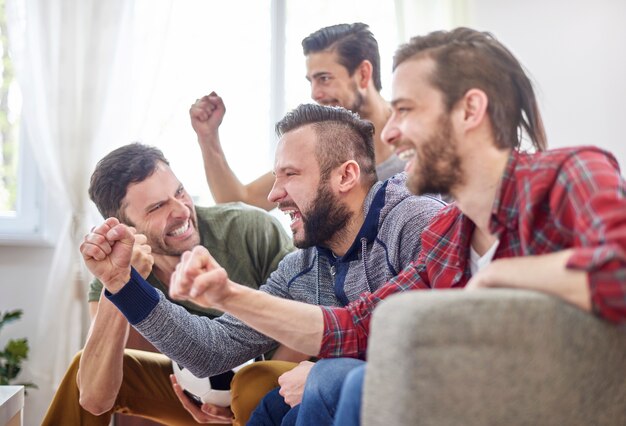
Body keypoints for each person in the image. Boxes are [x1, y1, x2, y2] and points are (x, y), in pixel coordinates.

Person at [163, 27, 626, 425]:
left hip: (550, 402)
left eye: (405, 110)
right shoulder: (448, 234)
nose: (387, 132)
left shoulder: (569, 175)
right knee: (334, 377)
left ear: (469, 110)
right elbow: (357, 327)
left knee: (341, 379)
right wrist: (226, 295)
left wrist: (502, 279)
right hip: (466, 397)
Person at [76, 105, 444, 424]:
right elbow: (212, 350)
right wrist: (123, 284)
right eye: (275, 176)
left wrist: (320, 372)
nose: (273, 194)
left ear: (345, 176)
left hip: (431, 393)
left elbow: (448, 341)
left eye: (290, 175)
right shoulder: (302, 268)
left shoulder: (413, 220)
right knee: (272, 408)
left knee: (326, 380)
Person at [42, 143, 295, 425]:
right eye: (158, 207)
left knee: (251, 383)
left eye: (179, 192)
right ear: (125, 229)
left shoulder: (250, 230)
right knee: (83, 364)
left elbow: (305, 319)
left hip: (270, 386)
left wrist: (234, 400)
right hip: (188, 396)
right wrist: (120, 283)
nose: (181, 211)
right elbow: (94, 399)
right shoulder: (117, 271)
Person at [192, 23, 404, 211]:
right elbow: (240, 203)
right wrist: (207, 137)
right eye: (311, 81)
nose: (315, 94)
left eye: (324, 78)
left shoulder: (414, 136)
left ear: (363, 74)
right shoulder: (319, 142)